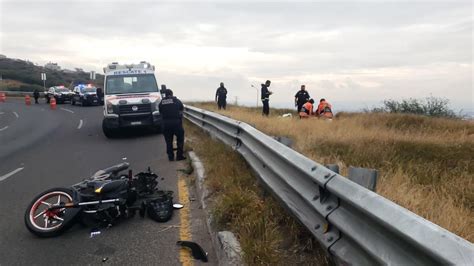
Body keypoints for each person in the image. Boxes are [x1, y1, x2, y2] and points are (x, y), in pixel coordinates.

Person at [158, 89, 186, 161]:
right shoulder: (176, 100)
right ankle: (179, 156)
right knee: (180, 139)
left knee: (168, 141)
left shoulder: (162, 102)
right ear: (172, 94)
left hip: (166, 124)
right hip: (176, 123)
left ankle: (170, 157)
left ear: (165, 95)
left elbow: (160, 112)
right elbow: (181, 109)